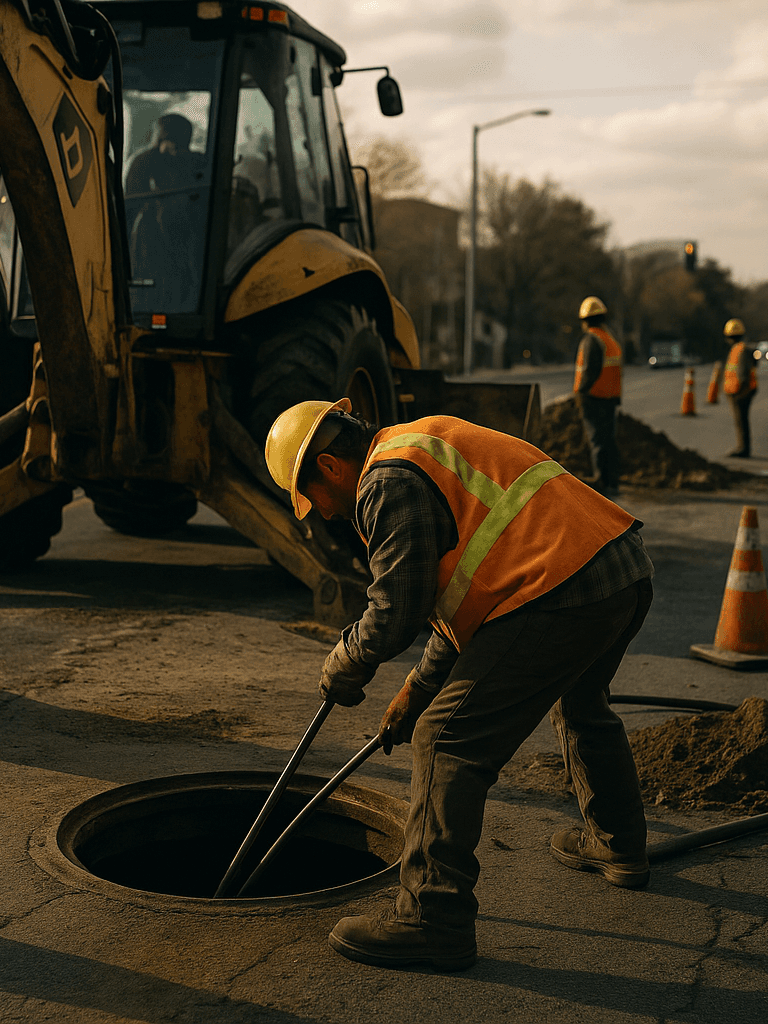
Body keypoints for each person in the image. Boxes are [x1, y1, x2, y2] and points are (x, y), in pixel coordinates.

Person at [263, 398, 655, 972]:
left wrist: (346, 661)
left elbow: (395, 609)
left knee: (446, 741)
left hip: (560, 590)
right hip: (616, 569)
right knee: (581, 705)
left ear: (329, 466)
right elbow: (467, 597)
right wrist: (414, 690)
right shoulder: (415, 448)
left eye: (312, 499)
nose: (321, 513)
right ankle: (618, 844)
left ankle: (433, 919)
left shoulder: (385, 482)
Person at [124, 113, 207, 307]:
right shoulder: (147, 162)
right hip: (163, 251)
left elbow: (130, 207)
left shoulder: (150, 161)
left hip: (169, 250)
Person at [572, 296, 623, 496]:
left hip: (593, 397)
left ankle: (602, 481)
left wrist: (580, 393)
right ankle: (612, 482)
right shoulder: (610, 339)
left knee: (597, 441)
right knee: (608, 440)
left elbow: (589, 371)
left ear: (584, 320)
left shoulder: (591, 340)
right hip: (609, 398)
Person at [721, 318, 759, 457]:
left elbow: (743, 374)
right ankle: (742, 447)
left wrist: (741, 392)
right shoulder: (739, 349)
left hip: (741, 391)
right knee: (741, 420)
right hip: (739, 390)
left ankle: (743, 449)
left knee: (741, 421)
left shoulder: (741, 350)